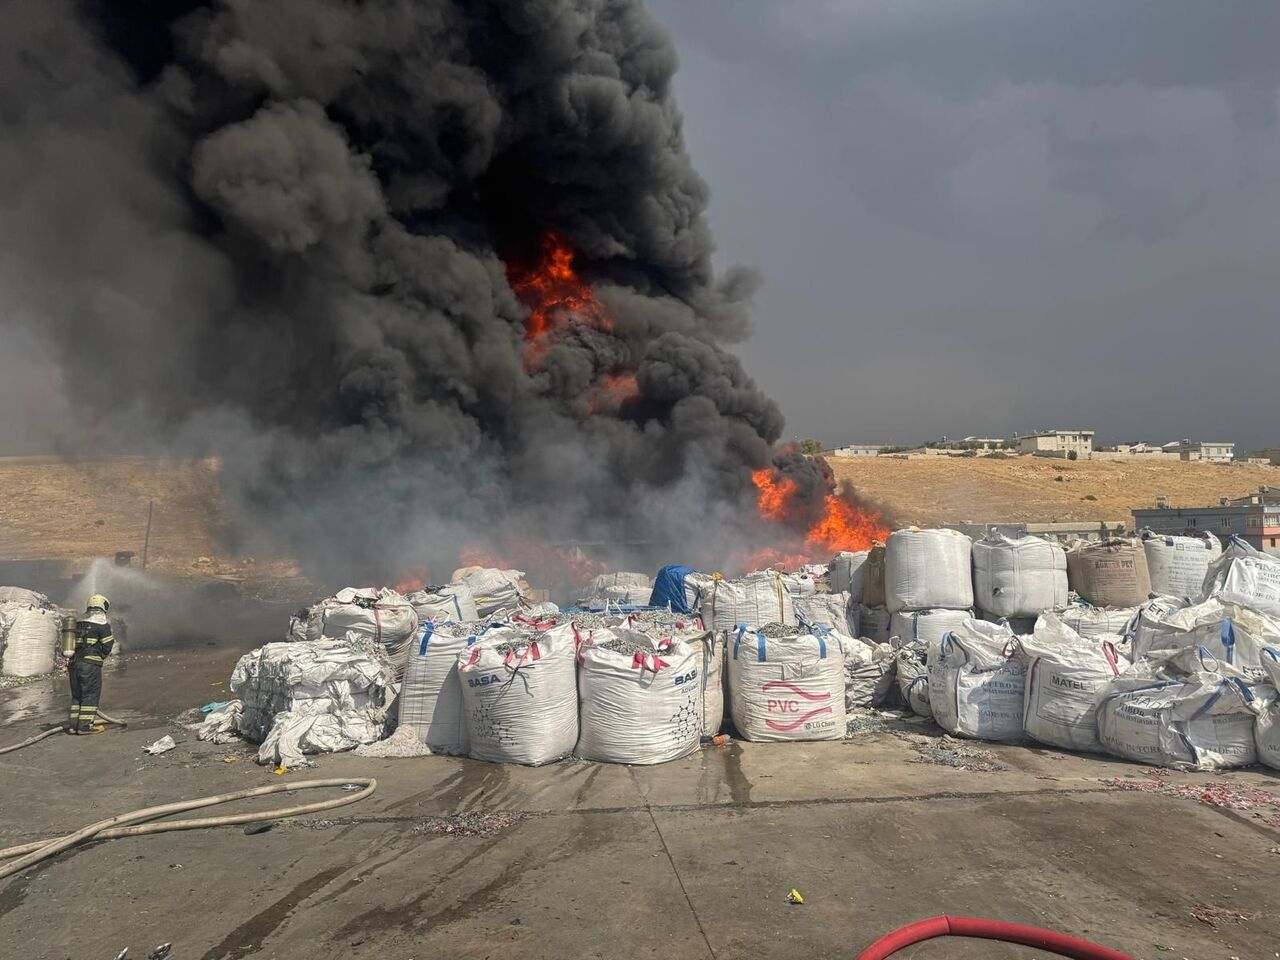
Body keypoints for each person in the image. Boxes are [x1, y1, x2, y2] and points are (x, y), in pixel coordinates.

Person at [68, 594, 114, 735]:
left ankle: (74, 726)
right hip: (90, 665)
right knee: (90, 694)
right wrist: (100, 657)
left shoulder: (78, 623)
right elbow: (108, 644)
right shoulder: (102, 625)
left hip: (74, 664)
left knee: (77, 695)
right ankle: (85, 726)